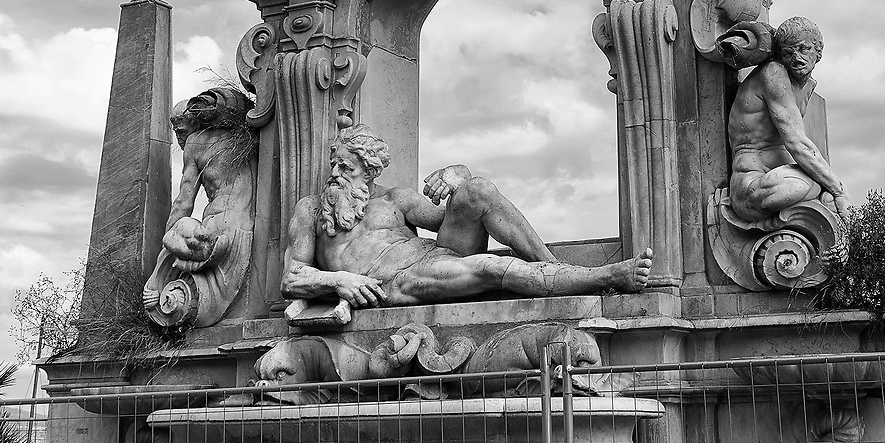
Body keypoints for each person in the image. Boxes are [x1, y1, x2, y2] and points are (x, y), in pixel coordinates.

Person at [281, 119, 675, 316]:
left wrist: (459, 175)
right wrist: (340, 280)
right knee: (490, 266)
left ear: (368, 172)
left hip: (434, 255)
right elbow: (292, 277)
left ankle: (555, 272)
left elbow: (447, 215)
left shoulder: (394, 199)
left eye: (346, 168)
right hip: (399, 282)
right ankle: (601, 278)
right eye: (335, 164)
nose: (335, 174)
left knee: (478, 190)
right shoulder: (311, 210)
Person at [143, 86, 260, 330]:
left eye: (181, 126)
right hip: (248, 231)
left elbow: (183, 204)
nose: (179, 134)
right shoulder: (249, 135)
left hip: (215, 233)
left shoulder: (196, 144)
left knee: (176, 231)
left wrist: (165, 242)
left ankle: (154, 287)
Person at [726, 17, 845, 218]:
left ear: (818, 52)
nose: (796, 57)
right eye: (788, 53)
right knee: (810, 186)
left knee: (820, 191)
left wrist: (831, 188)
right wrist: (839, 190)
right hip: (751, 187)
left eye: (803, 49)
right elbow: (796, 142)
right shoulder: (774, 73)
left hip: (781, 177)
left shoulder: (807, 87)